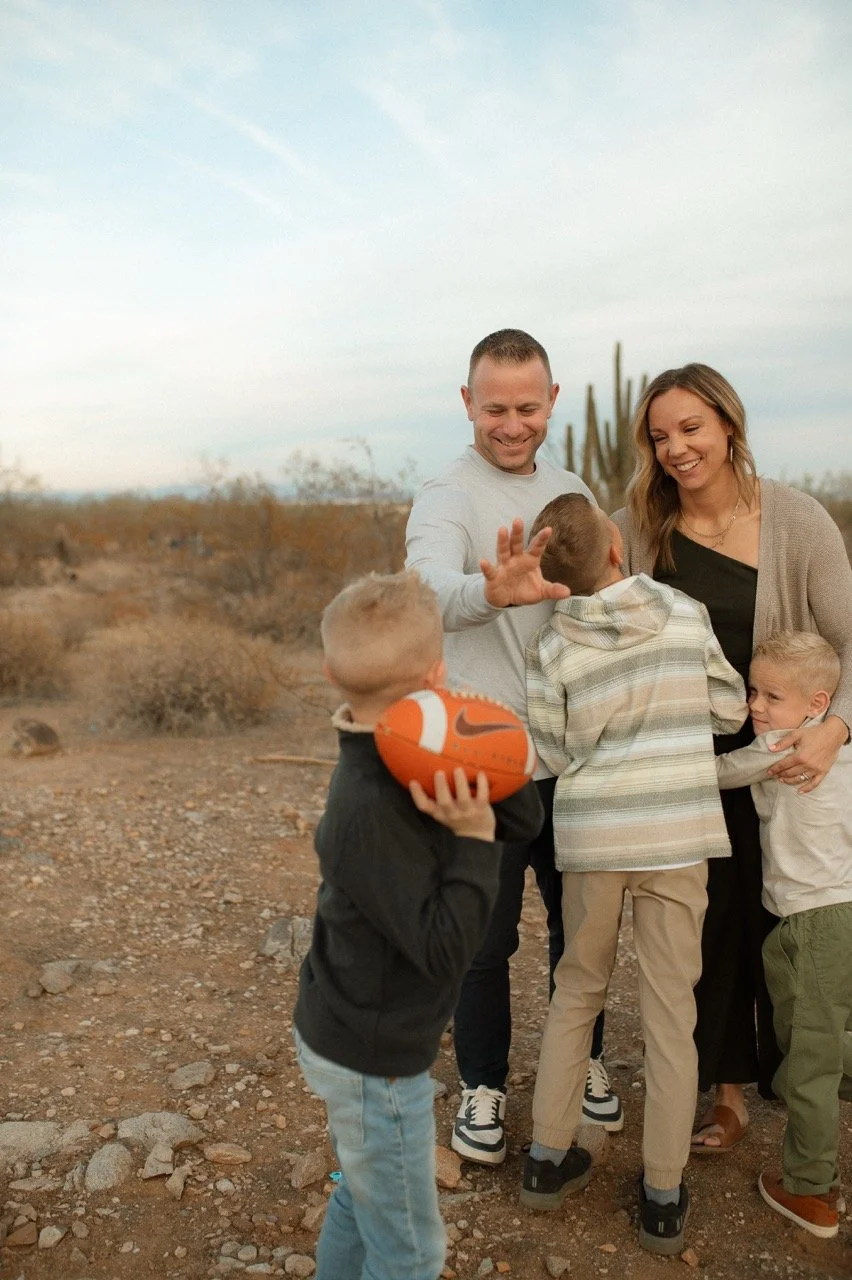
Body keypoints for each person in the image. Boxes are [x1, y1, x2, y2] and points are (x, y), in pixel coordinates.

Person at [613, 363, 852, 1151]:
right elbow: (593, 614)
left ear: (728, 425)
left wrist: (835, 729)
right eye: (660, 435)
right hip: (688, 763)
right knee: (707, 924)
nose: (677, 448)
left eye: (691, 428)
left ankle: (805, 1068)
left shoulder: (796, 520)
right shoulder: (641, 528)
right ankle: (725, 1090)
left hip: (788, 757)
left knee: (793, 913)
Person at [406, 329, 622, 1167]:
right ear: (467, 403)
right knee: (485, 942)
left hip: (575, 759)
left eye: (527, 407)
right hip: (488, 762)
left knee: (583, 934)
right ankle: (485, 1086)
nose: (510, 424)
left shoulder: (573, 489)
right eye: (494, 408)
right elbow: (427, 588)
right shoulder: (446, 497)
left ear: (554, 400)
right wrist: (486, 591)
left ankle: (585, 1063)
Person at [293, 570, 545, 1280]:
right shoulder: (365, 809)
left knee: (361, 1201)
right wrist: (469, 839)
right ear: (437, 669)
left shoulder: (427, 748)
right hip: (371, 1060)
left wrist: (488, 743)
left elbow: (525, 820)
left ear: (329, 671)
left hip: (360, 1038)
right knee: (409, 1253)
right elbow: (444, 953)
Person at [520, 493, 747, 1255]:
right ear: (618, 546)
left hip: (591, 843)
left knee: (575, 991)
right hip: (676, 841)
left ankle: (547, 1160)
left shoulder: (554, 646)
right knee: (667, 1011)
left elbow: (548, 751)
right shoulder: (684, 615)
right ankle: (661, 1190)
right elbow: (726, 710)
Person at [716, 631, 851, 1239]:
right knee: (816, 1041)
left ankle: (809, 1190)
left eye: (773, 694)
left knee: (808, 1064)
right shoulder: (841, 751)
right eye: (752, 690)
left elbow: (720, 772)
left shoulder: (779, 747)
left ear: (817, 704)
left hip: (812, 921)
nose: (756, 706)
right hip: (835, 913)